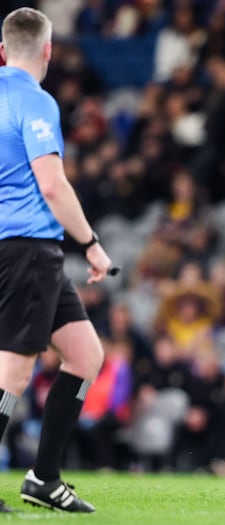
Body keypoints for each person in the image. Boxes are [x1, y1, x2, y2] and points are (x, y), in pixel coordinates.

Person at [0, 7, 113, 513]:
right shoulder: (36, 102)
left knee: (86, 356)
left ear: (3, 50)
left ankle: (43, 478)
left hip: (22, 247)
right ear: (47, 51)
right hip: (27, 245)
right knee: (14, 372)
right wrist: (90, 242)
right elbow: (51, 183)